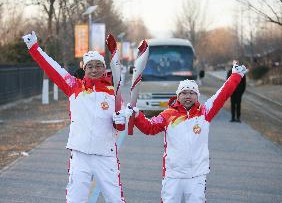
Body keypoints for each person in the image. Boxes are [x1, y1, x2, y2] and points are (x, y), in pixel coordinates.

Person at [117, 63, 248, 203]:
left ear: (197, 96)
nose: (188, 96)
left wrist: (236, 76)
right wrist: (137, 116)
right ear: (178, 96)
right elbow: (149, 127)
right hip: (173, 175)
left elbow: (223, 94)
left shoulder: (205, 112)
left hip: (197, 175)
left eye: (192, 93)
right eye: (184, 93)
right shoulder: (168, 115)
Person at [22, 31, 126, 203]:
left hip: (105, 155)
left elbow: (120, 127)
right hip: (80, 155)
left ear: (104, 68)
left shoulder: (113, 93)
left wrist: (120, 121)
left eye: (98, 66)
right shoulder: (74, 87)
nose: (94, 69)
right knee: (75, 199)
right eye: (90, 66)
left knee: (115, 199)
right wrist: (34, 48)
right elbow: (51, 67)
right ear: (84, 69)